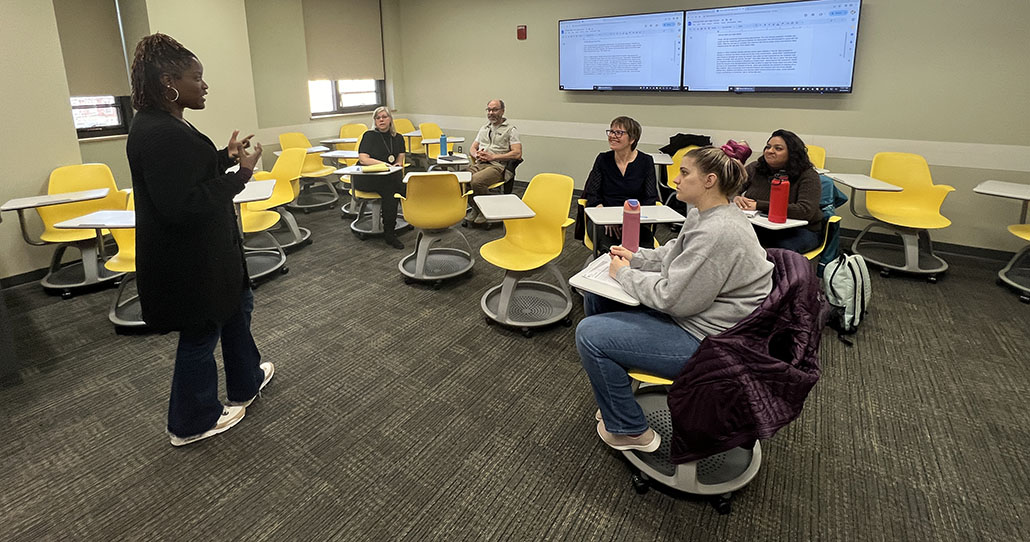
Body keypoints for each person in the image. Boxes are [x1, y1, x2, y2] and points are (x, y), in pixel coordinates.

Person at [126, 33, 274, 447]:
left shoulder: (167, 123)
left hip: (211, 253)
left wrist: (224, 158)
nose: (204, 85)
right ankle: (191, 421)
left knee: (237, 307)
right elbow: (182, 204)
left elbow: (187, 174)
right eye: (197, 77)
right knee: (201, 333)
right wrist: (240, 176)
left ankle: (246, 381)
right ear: (169, 82)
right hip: (189, 260)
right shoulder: (159, 132)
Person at [576, 144, 773, 452]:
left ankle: (629, 430)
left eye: (684, 172)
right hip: (697, 318)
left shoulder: (718, 232)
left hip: (711, 342)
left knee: (589, 335)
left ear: (709, 180)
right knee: (597, 299)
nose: (676, 180)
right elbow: (674, 253)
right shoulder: (705, 214)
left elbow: (674, 300)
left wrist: (624, 274)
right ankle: (618, 395)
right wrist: (636, 257)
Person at [733, 129, 824, 253]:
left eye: (778, 148)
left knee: (774, 251)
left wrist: (758, 205)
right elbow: (730, 189)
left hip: (800, 230)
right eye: (768, 147)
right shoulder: (755, 168)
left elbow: (805, 210)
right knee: (733, 240)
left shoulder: (808, 175)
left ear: (792, 153)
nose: (770, 151)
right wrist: (736, 197)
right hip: (761, 225)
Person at [581, 116, 658, 253]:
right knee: (612, 251)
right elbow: (592, 194)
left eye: (619, 133)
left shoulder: (646, 161)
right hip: (604, 221)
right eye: (611, 132)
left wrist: (629, 221)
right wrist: (607, 217)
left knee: (644, 252)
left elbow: (650, 198)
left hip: (635, 220)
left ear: (632, 139)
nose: (612, 136)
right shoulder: (603, 159)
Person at [357, 106, 407, 249]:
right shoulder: (369, 135)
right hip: (367, 177)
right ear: (375, 121)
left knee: (408, 188)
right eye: (378, 118)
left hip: (389, 177)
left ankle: (425, 221)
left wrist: (397, 165)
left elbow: (400, 158)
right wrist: (384, 164)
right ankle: (389, 234)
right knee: (391, 191)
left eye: (384, 117)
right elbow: (363, 159)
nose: (381, 120)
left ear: (390, 119)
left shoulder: (398, 138)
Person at [467, 99, 523, 225]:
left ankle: (485, 211)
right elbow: (472, 147)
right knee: (460, 179)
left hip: (498, 166)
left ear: (502, 111)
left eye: (495, 109)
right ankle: (476, 209)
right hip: (480, 164)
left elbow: (517, 153)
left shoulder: (510, 130)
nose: (491, 113)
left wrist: (492, 157)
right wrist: (477, 155)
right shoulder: (484, 128)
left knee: (476, 181)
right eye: (489, 110)